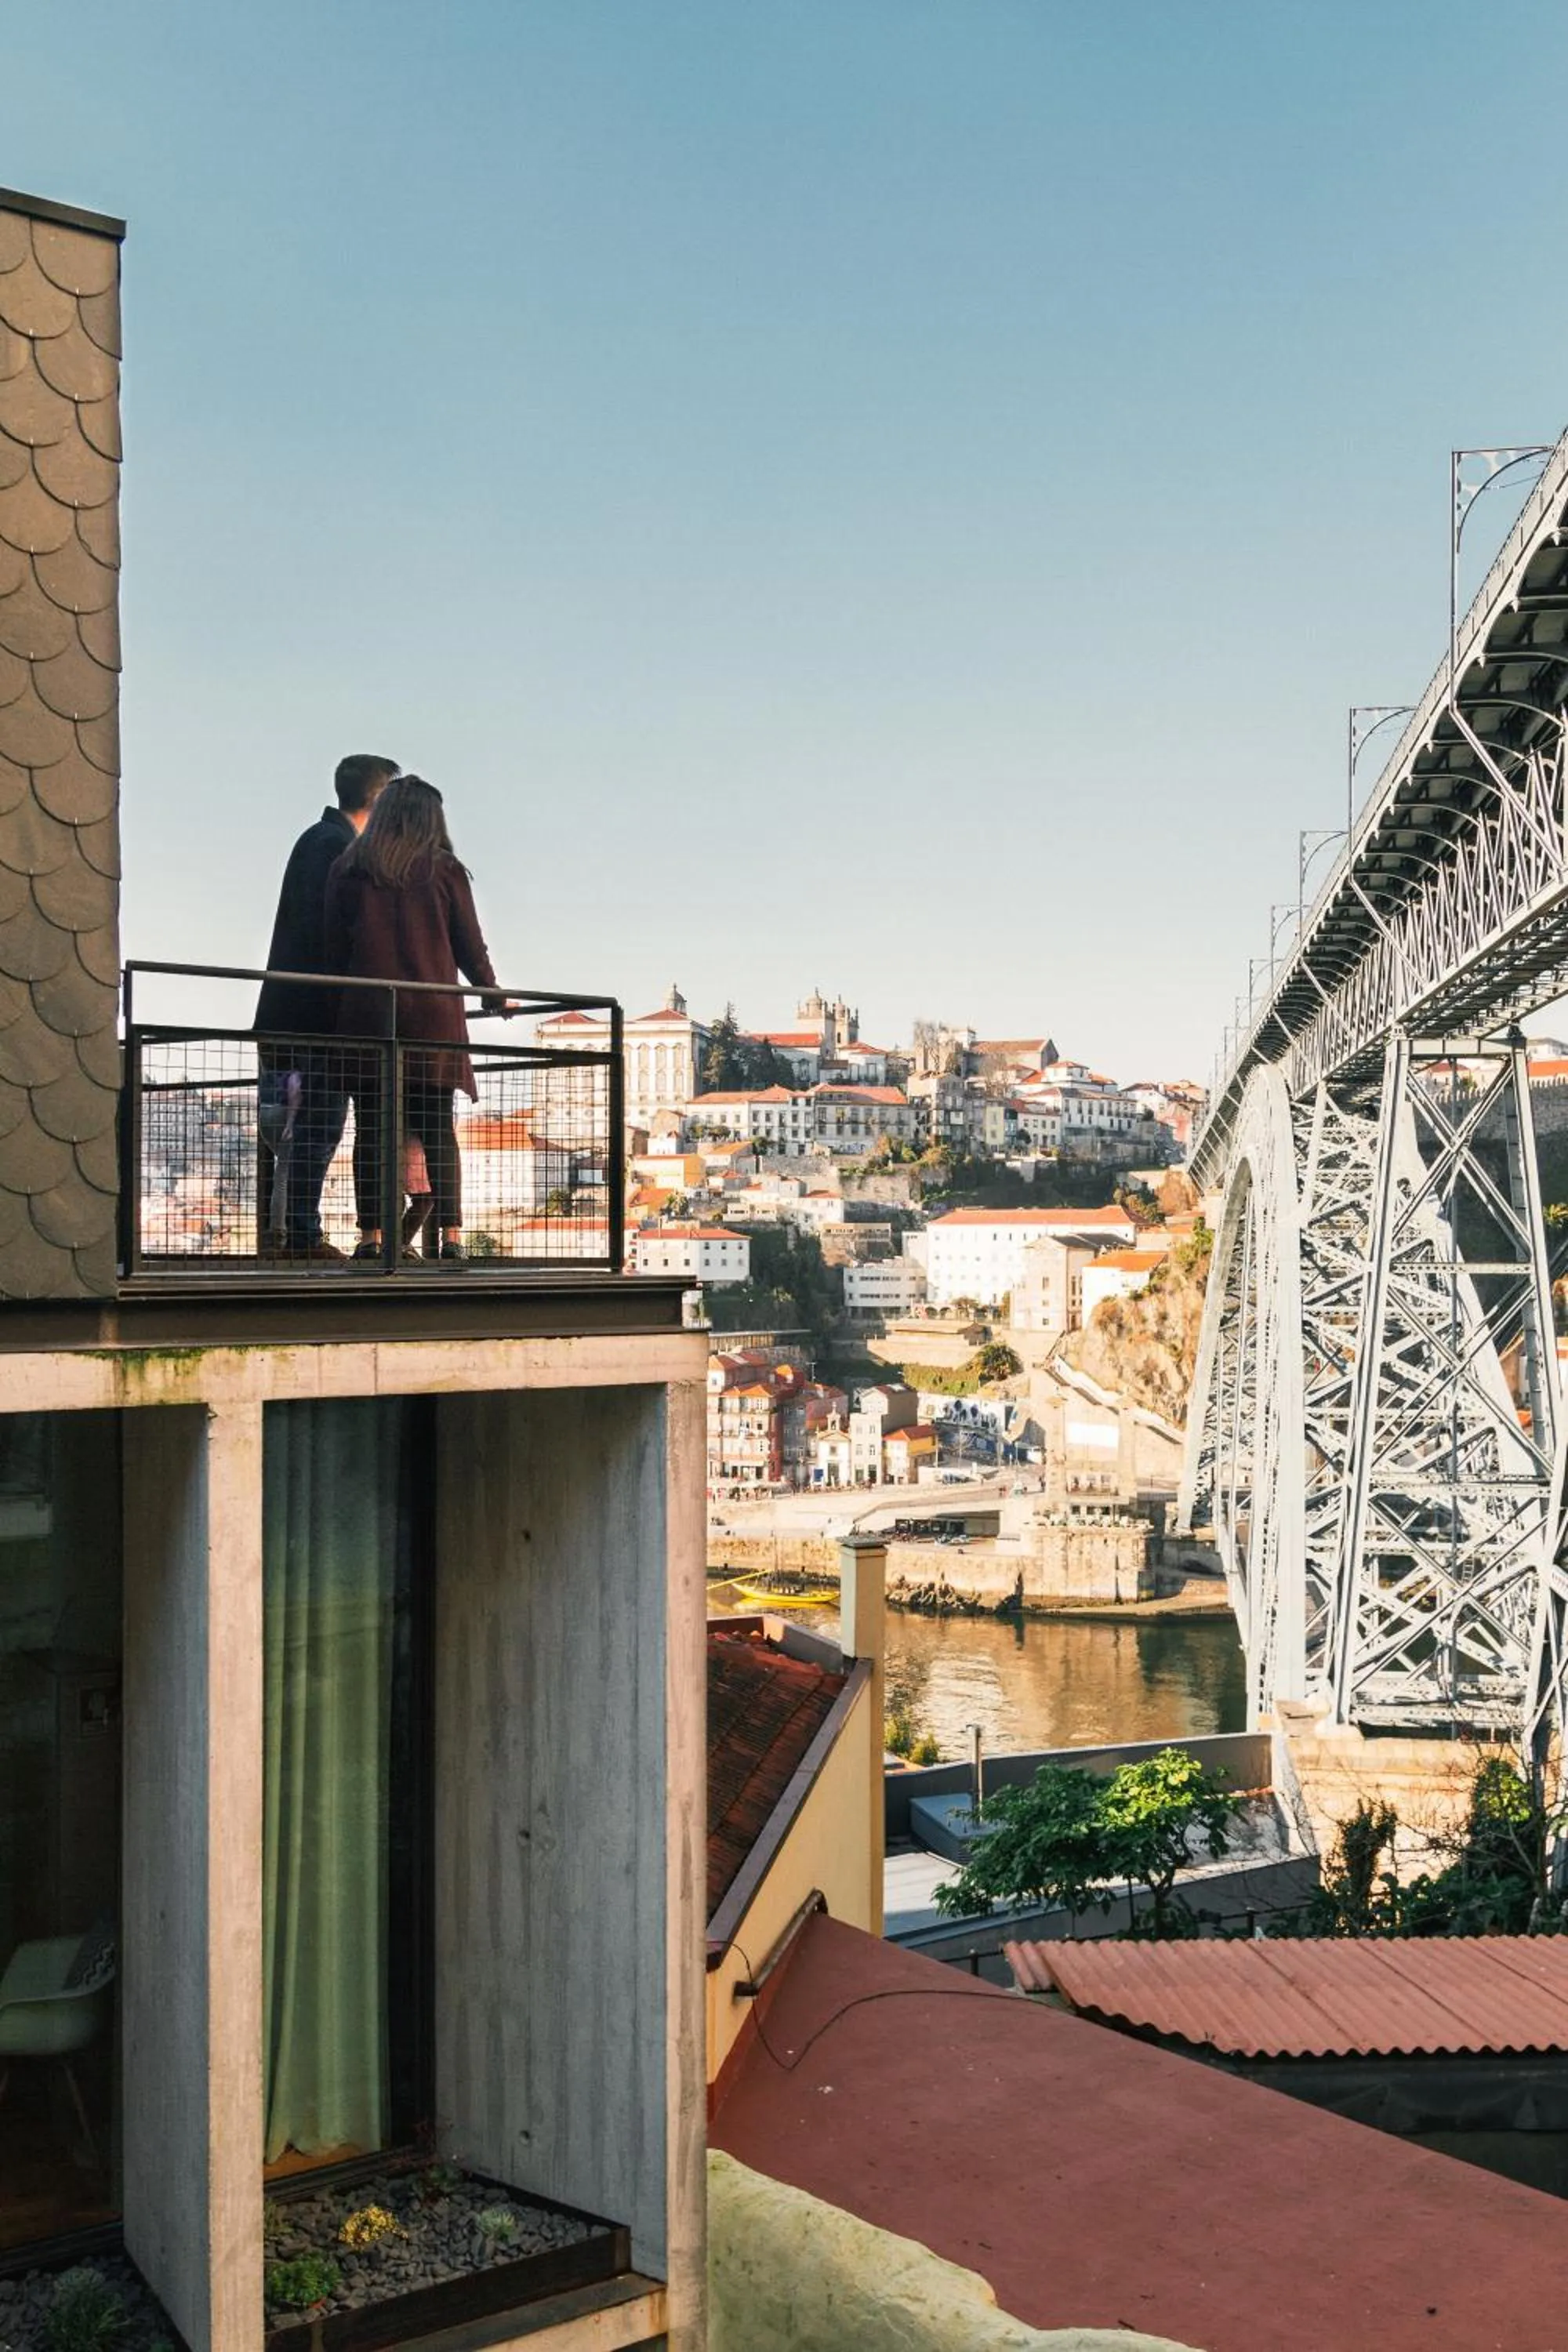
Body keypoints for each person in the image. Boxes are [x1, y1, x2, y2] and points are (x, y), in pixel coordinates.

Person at [324, 776, 501, 1265]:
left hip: (368, 1018)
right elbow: (470, 942)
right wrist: (491, 993)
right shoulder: (444, 870)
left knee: (374, 1130)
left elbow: (334, 950)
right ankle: (452, 1237)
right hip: (433, 1018)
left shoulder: (349, 868)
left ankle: (372, 1237)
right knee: (438, 1128)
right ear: (431, 818)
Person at [255, 753, 399, 1260]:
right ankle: (302, 1237)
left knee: (315, 1126)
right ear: (379, 799)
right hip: (316, 1016)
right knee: (318, 1126)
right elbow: (330, 933)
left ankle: (298, 1234)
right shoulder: (333, 847)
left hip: (304, 1012)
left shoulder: (322, 841)